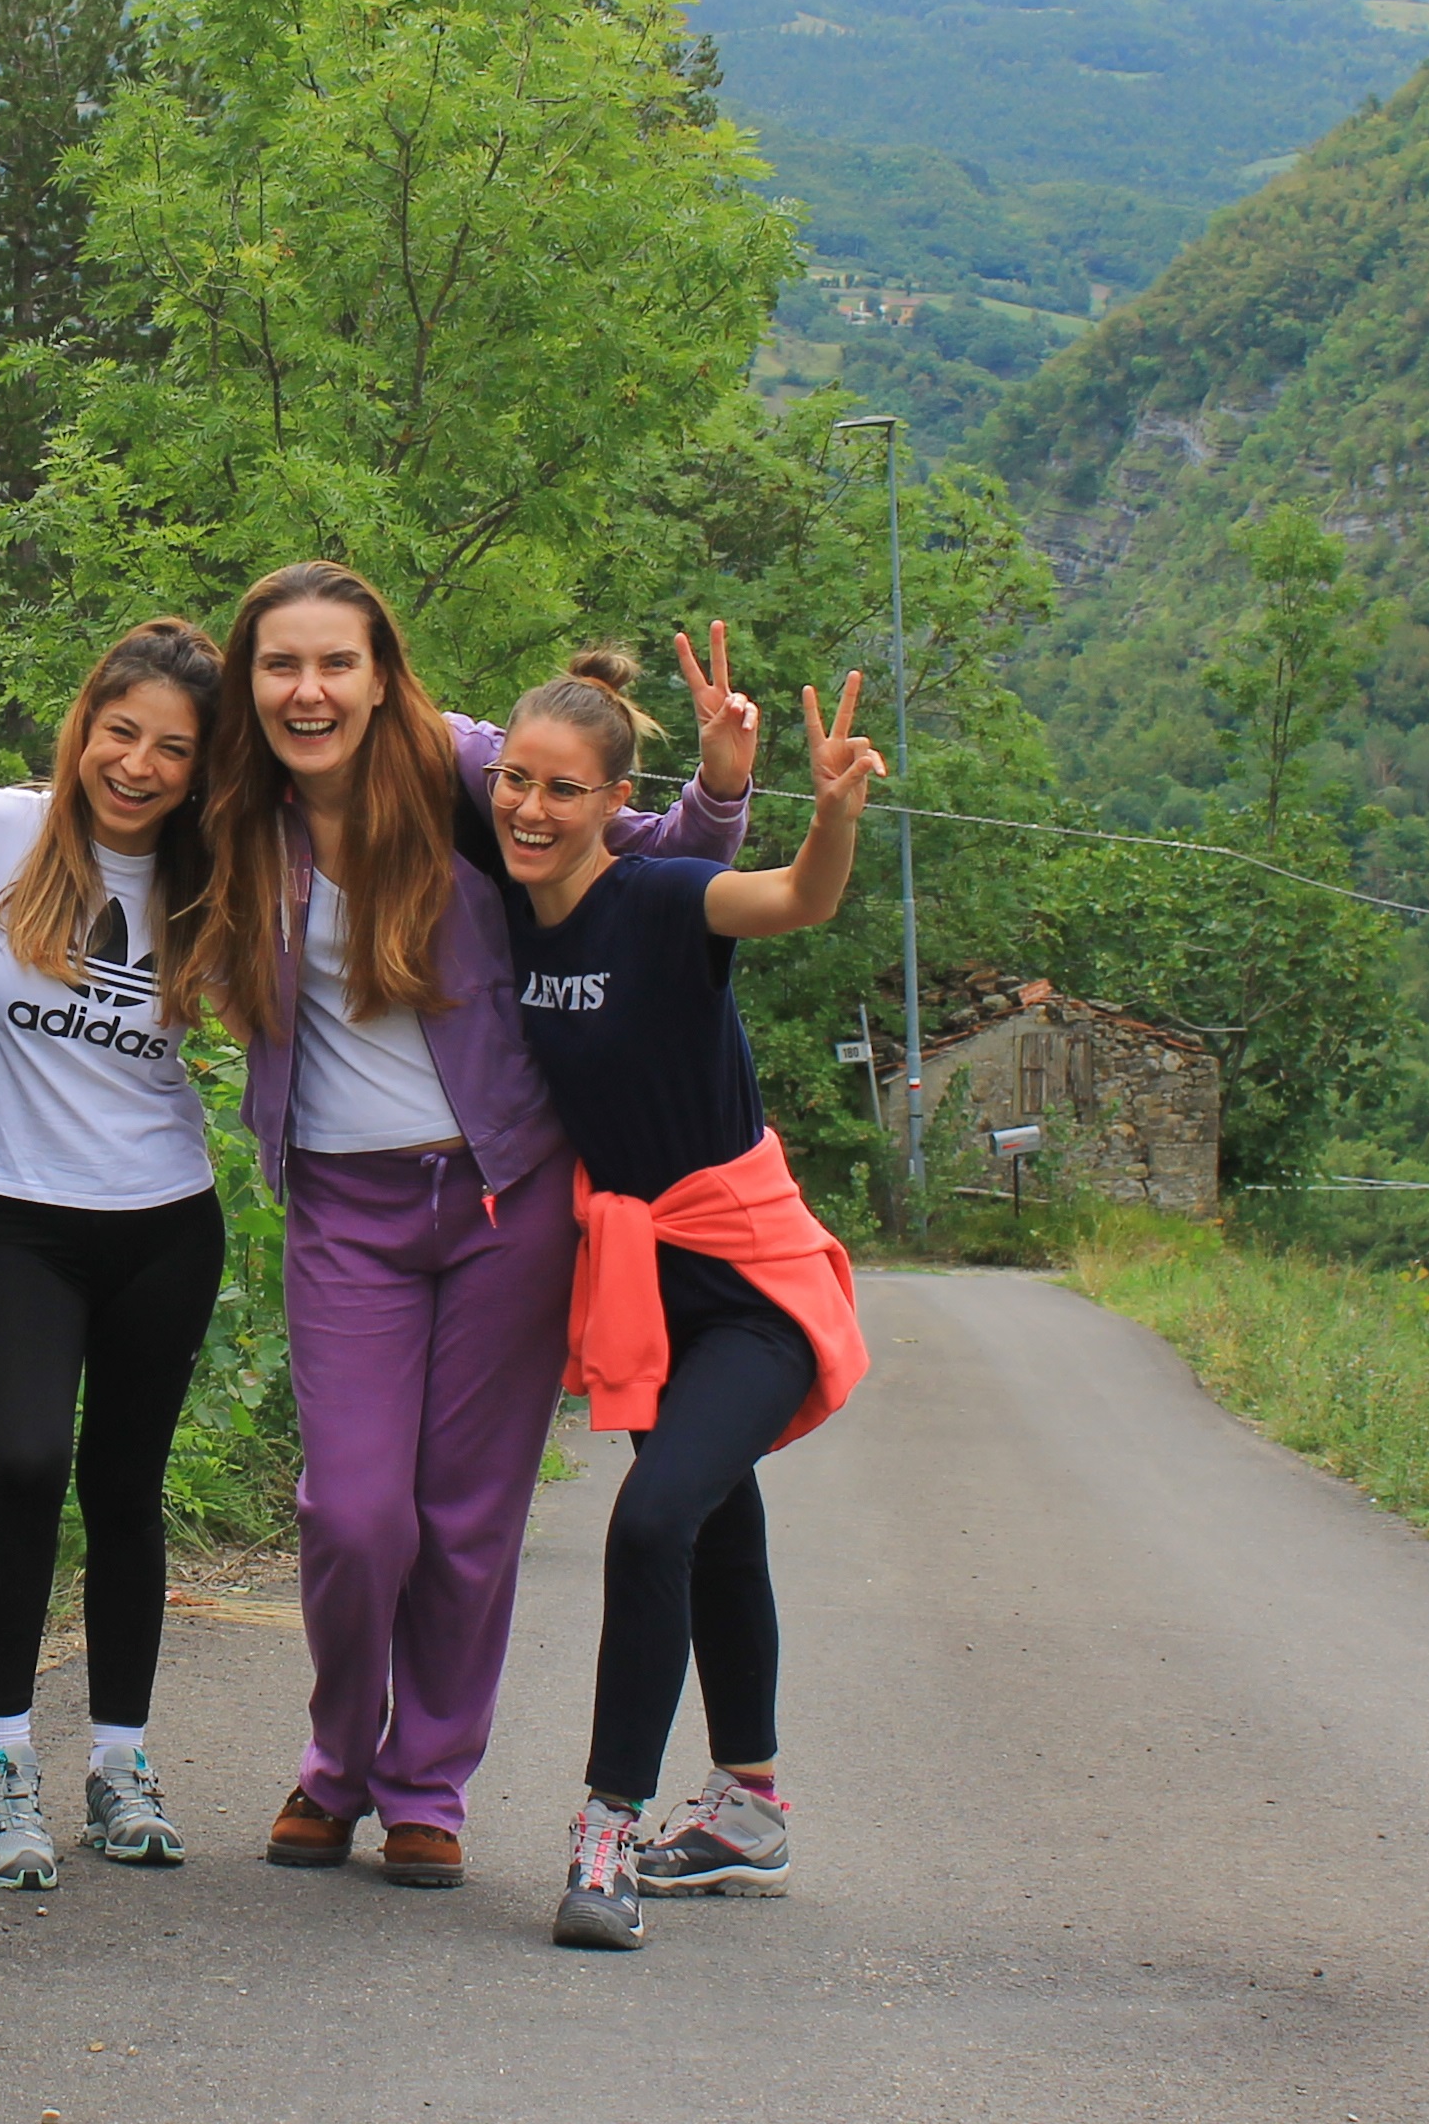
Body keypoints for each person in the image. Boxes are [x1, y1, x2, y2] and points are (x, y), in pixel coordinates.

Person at [197, 565, 759, 1890]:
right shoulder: (236, 813)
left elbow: (646, 867)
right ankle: (337, 1761)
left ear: (383, 671)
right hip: (345, 1206)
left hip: (509, 1197)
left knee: (466, 1520)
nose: (309, 689)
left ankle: (425, 1786)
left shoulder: (464, 773)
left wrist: (722, 793)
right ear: (252, 683)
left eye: (336, 662)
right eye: (281, 665)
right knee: (352, 1514)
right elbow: (101, 817)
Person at [490, 654, 880, 1951]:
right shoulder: (502, 907)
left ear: (616, 801)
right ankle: (750, 1805)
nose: (532, 811)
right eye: (514, 784)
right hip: (644, 1283)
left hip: (752, 1282)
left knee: (657, 1520)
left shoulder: (660, 899)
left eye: (564, 790)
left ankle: (607, 1827)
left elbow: (794, 902)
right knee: (719, 1521)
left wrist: (827, 815)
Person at [0, 620, 234, 1893]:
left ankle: (123, 1763)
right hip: (14, 1212)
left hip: (164, 1219)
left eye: (171, 749)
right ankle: (2, 1760)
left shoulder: (217, 879)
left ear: (203, 769)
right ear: (84, 725)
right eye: (119, 731)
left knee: (126, 1491)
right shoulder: (4, 832)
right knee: (29, 1461)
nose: (135, 764)